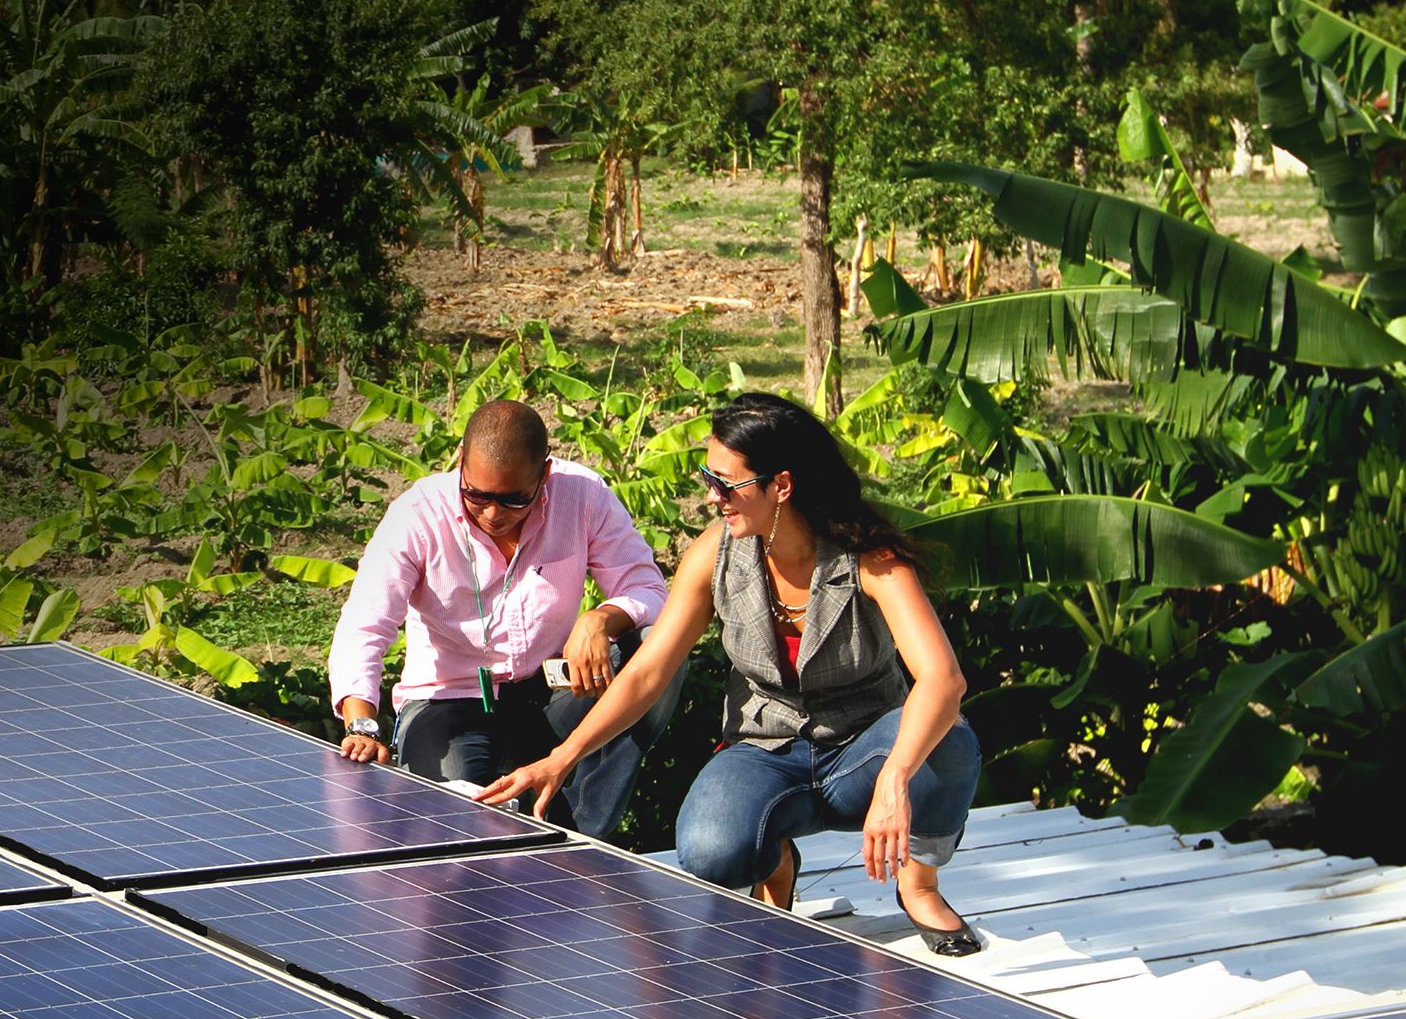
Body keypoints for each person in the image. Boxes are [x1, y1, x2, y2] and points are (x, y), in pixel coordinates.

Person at [479, 392, 984, 956]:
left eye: (726, 484)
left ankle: (918, 885)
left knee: (949, 739)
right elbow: (649, 671)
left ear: (781, 486)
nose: (711, 496)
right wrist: (561, 757)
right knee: (710, 853)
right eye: (707, 477)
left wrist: (895, 777)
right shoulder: (713, 556)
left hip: (863, 748)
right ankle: (776, 856)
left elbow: (943, 679)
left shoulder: (870, 558)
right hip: (765, 750)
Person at [327, 399, 680, 839]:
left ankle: (583, 834)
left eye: (515, 500)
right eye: (477, 495)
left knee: (657, 647)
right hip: (447, 702)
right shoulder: (417, 515)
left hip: (549, 693)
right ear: (460, 462)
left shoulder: (583, 495)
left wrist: (603, 618)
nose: (493, 514)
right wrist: (362, 724)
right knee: (458, 829)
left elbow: (648, 590)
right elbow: (365, 623)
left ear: (544, 476)